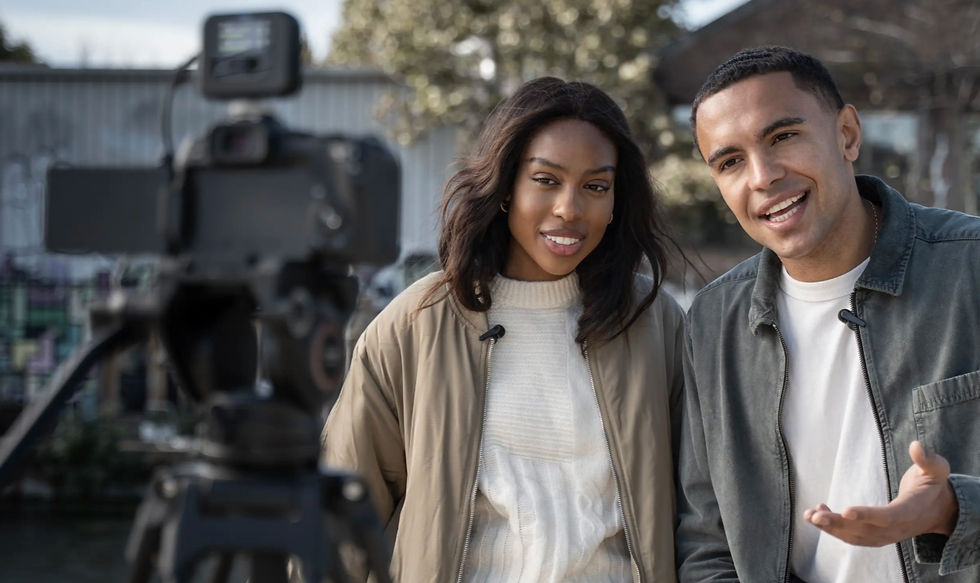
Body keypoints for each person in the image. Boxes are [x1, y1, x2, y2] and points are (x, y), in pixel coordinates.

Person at [322, 77, 685, 582]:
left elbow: (699, 510)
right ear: (506, 187)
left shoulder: (654, 322)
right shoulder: (417, 323)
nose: (569, 209)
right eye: (546, 179)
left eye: (596, 187)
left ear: (616, 202)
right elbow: (338, 517)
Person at [675, 45, 980, 582]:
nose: (763, 176)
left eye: (783, 137)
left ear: (847, 135)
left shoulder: (970, 266)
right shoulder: (714, 322)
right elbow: (707, 541)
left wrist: (956, 510)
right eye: (730, 162)